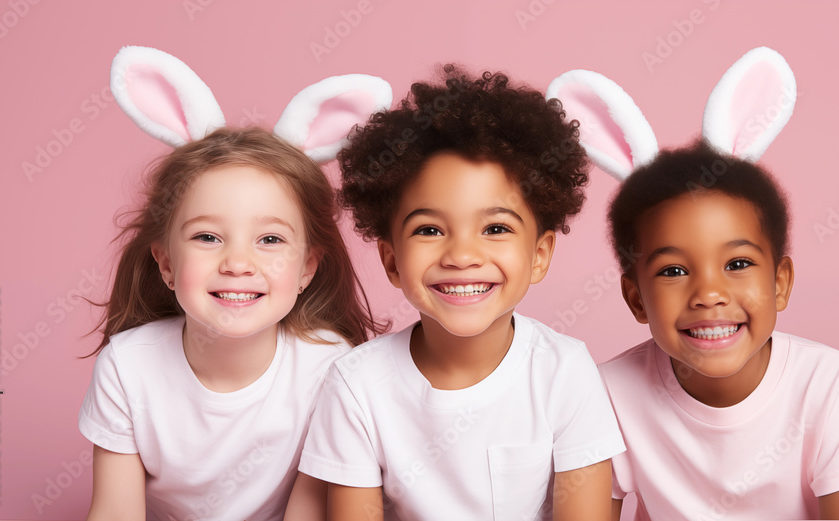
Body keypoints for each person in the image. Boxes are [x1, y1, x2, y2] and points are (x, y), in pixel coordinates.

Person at [291, 65, 626, 521]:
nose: (462, 255)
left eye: (495, 228)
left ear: (540, 255)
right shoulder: (356, 386)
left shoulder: (564, 372)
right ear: (391, 260)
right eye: (429, 229)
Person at [80, 127, 383, 521]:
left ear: (307, 267)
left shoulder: (329, 368)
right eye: (207, 237)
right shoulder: (127, 366)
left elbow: (309, 511)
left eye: (270, 239)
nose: (238, 264)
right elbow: (115, 513)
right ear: (167, 264)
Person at [601, 141, 839, 520]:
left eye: (737, 263)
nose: (709, 295)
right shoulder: (608, 394)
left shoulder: (825, 381)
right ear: (637, 299)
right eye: (673, 271)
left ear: (779, 283)